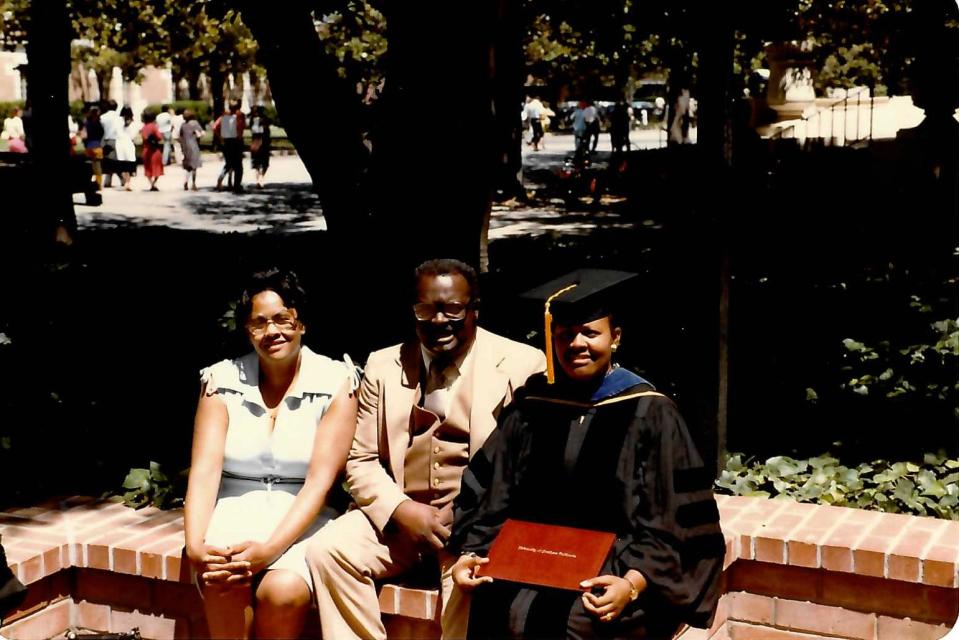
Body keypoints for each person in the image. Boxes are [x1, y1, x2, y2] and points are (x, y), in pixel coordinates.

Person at [450, 268, 726, 640]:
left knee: (578, 620)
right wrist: (473, 552)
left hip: (613, 567)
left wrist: (632, 583)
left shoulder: (650, 412)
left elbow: (676, 519)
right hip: (525, 563)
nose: (576, 344)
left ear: (615, 338)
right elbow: (491, 487)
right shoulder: (534, 404)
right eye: (564, 335)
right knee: (497, 605)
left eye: (590, 333)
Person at [306, 258, 546, 640]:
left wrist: (468, 513)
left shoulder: (521, 365)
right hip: (400, 522)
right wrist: (402, 510)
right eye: (425, 309)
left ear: (474, 309)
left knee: (470, 592)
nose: (439, 321)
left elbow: (526, 468)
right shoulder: (384, 365)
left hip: (475, 528)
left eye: (453, 309)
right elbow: (361, 459)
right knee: (328, 552)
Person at [183, 267, 359, 640]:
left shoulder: (337, 382)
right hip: (234, 508)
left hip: (304, 515)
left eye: (282, 319)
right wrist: (197, 547)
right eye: (259, 323)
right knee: (222, 578)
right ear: (247, 331)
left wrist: (267, 551)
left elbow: (319, 484)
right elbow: (204, 472)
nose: (272, 332)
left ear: (302, 324)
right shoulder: (219, 380)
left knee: (284, 592)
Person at [214, 100, 245, 193]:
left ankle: (220, 180)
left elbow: (215, 127)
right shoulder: (239, 117)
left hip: (227, 142)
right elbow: (241, 129)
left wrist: (221, 138)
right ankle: (237, 185)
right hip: (236, 142)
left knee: (229, 163)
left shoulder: (224, 117)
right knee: (238, 166)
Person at [80, 105, 105, 190]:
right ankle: (99, 185)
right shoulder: (99, 123)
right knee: (98, 168)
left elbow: (83, 136)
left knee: (89, 168)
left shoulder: (86, 123)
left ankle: (89, 184)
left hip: (89, 147)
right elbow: (102, 134)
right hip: (97, 146)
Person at [179, 109, 204, 191]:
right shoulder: (195, 124)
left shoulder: (183, 125)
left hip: (185, 146)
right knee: (194, 166)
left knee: (188, 167)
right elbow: (201, 133)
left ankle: (186, 182)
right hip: (193, 146)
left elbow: (180, 136)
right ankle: (193, 184)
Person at [139, 111, 164, 191]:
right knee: (157, 167)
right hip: (155, 150)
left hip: (146, 149)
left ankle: (151, 183)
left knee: (148, 168)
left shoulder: (143, 128)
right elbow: (159, 137)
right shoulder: (154, 127)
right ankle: (154, 183)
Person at [114, 106, 138, 191]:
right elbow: (134, 135)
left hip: (119, 143)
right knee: (129, 164)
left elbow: (115, 132)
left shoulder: (117, 121)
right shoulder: (133, 122)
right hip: (129, 143)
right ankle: (128, 182)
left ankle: (125, 180)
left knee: (122, 163)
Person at [248, 105, 272, 189]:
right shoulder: (254, 120)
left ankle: (260, 179)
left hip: (261, 143)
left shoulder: (263, 120)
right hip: (259, 143)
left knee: (260, 163)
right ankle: (259, 179)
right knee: (259, 163)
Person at [100, 100, 121, 188]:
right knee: (116, 161)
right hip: (116, 140)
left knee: (107, 161)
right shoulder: (119, 118)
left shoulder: (102, 117)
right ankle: (122, 179)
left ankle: (108, 181)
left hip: (105, 140)